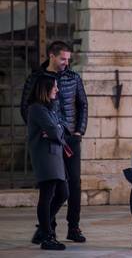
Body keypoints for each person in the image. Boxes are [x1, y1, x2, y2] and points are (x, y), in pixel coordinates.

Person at [21, 41, 88, 243]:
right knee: (53, 188)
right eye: (62, 59)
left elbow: (83, 104)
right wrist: (41, 127)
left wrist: (78, 132)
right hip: (49, 140)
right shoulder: (36, 78)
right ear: (51, 55)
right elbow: (26, 107)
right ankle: (48, 228)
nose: (66, 63)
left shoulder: (73, 78)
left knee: (73, 184)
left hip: (70, 138)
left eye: (68, 59)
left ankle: (73, 228)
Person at [27, 75, 69, 250]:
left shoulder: (49, 107)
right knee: (47, 196)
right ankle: (47, 237)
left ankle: (43, 229)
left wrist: (57, 129)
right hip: (45, 157)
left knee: (63, 193)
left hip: (55, 156)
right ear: (45, 89)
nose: (57, 90)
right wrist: (57, 129)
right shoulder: (37, 109)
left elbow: (62, 127)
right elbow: (54, 130)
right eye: (54, 87)